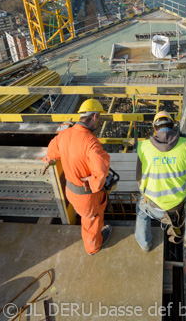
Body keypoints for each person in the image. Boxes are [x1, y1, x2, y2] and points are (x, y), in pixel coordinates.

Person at [43, 98, 112, 255]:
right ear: (94, 116)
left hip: (71, 191)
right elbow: (101, 171)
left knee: (85, 216)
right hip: (86, 197)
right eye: (99, 117)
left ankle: (92, 233)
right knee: (91, 220)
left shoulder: (65, 134)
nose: (98, 121)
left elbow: (51, 153)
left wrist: (51, 160)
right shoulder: (91, 142)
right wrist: (94, 183)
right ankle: (92, 247)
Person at [135, 110, 186, 252]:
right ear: (172, 126)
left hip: (153, 205)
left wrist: (145, 193)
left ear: (154, 128)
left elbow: (138, 177)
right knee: (185, 210)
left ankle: (144, 244)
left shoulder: (143, 146)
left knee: (141, 211)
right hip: (176, 205)